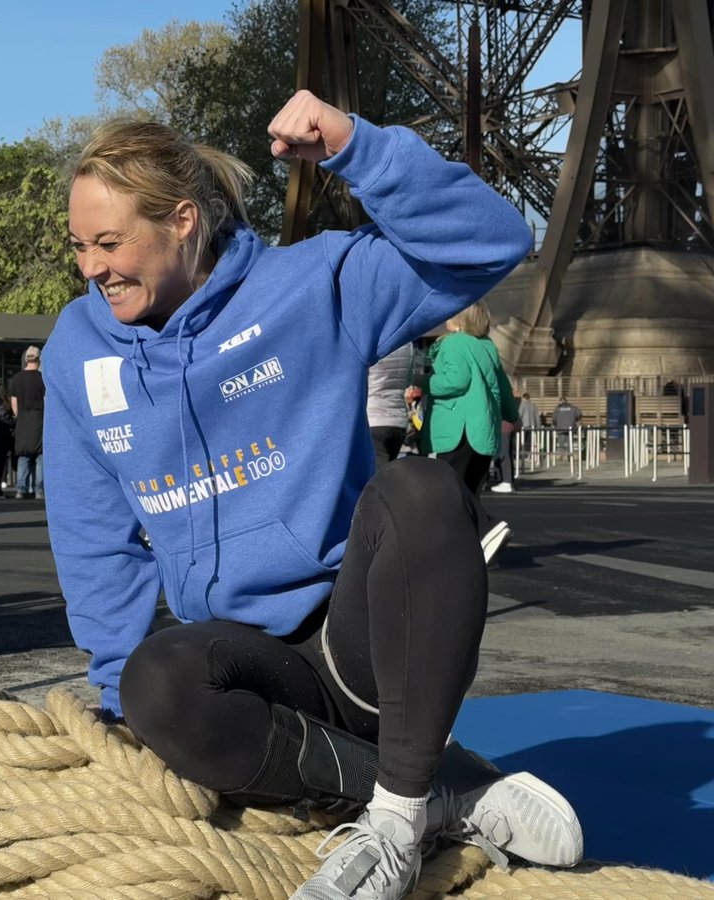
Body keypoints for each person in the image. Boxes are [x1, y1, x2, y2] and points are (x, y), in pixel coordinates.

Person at [43, 92, 581, 900]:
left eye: (111, 242)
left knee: (424, 489)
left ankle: (397, 819)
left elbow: (496, 241)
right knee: (151, 684)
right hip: (249, 666)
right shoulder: (78, 349)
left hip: (359, 644)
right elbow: (93, 536)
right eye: (81, 245)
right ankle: (451, 790)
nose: (92, 268)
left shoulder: (313, 284)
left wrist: (359, 148)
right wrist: (125, 701)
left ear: (183, 220)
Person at [421, 301, 520, 562]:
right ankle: (468, 549)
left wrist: (424, 382)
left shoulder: (453, 343)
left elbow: (454, 381)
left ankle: (487, 527)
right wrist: (512, 416)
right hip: (482, 429)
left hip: (456, 428)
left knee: (450, 491)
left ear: (459, 319)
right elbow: (503, 386)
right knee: (470, 489)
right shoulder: (487, 347)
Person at [366, 343, 415, 471]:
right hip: (398, 420)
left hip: (374, 416)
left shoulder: (372, 343)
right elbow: (409, 380)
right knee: (388, 472)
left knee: (378, 477)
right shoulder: (407, 344)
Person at [9, 345, 45, 499]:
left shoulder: (16, 379)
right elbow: (46, 400)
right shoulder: (42, 378)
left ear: (26, 359)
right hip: (39, 419)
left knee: (23, 456)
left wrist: (19, 416)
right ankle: (39, 490)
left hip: (23, 421)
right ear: (39, 359)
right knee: (40, 456)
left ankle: (21, 488)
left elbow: (14, 403)